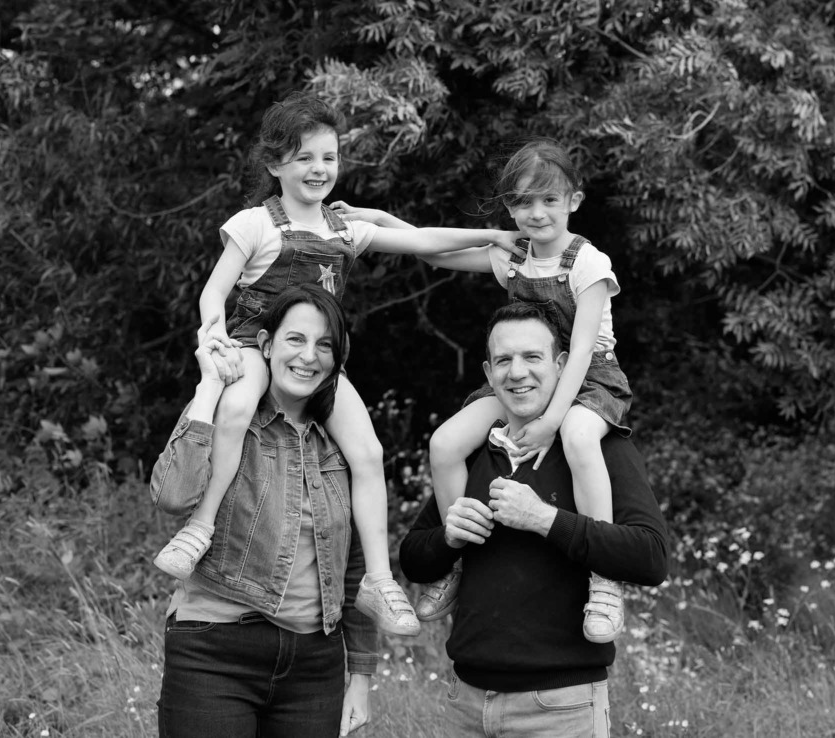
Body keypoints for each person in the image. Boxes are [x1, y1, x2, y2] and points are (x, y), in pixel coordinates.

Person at [153, 93, 521, 637]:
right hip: (257, 347)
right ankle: (200, 527)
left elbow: (421, 241)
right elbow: (214, 294)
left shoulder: (344, 230)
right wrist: (215, 342)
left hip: (322, 363)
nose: (318, 169)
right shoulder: (255, 223)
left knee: (368, 452)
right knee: (233, 409)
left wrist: (491, 235)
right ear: (275, 164)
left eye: (328, 157)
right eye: (304, 158)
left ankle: (376, 579)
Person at [334, 138, 634, 641]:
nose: (536, 213)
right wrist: (378, 217)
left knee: (581, 438)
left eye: (549, 200)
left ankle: (603, 582)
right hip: (522, 379)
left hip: (586, 380)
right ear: (511, 207)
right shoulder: (513, 257)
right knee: (445, 443)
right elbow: (436, 254)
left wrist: (549, 424)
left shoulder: (589, 262)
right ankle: (460, 555)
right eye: (522, 202)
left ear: (574, 201)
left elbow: (580, 352)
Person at [399, 302, 669, 738]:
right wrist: (448, 539)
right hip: (465, 702)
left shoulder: (596, 446)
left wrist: (545, 519)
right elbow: (414, 560)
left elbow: (651, 556)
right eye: (504, 360)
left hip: (562, 707)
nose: (517, 372)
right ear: (488, 374)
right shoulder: (472, 452)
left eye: (532, 357)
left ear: (562, 365)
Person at [150, 284, 378, 737]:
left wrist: (362, 676)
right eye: (295, 339)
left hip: (315, 668)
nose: (309, 356)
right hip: (214, 653)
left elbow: (355, 566)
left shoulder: (340, 443)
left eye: (324, 345)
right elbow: (172, 496)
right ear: (266, 345)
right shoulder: (231, 415)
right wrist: (209, 386)